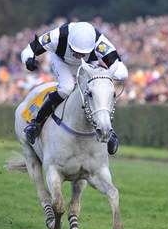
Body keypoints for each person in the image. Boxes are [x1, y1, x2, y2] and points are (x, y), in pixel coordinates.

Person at [21, 21, 128, 154]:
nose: (79, 55)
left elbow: (122, 70)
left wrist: (105, 74)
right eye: (76, 51)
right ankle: (36, 123)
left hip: (89, 66)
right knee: (66, 87)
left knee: (98, 92)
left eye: (83, 53)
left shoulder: (100, 42)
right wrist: (28, 60)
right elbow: (29, 50)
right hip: (62, 62)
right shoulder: (58, 35)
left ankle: (108, 132)